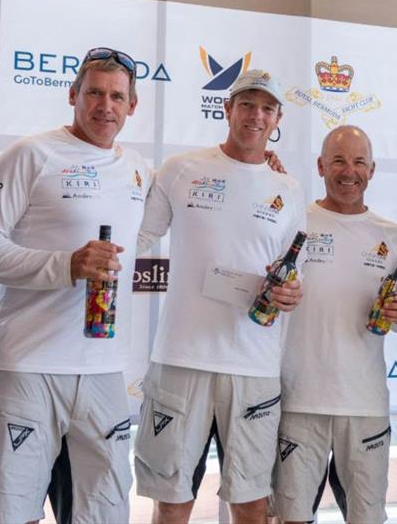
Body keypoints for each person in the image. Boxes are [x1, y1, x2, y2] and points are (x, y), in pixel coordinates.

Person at [0, 47, 150, 524]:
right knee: (14, 513)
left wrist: (260, 167)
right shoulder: (30, 154)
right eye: (94, 93)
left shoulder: (140, 171)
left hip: (104, 371)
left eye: (116, 96)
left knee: (106, 513)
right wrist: (66, 265)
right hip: (26, 367)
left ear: (132, 106)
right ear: (72, 95)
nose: (104, 105)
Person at [134, 69, 306, 524]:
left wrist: (289, 291)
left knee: (251, 504)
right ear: (226, 109)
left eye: (267, 108)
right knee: (172, 501)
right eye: (246, 104)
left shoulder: (288, 190)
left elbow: (294, 276)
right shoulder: (181, 169)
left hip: (253, 366)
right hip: (181, 359)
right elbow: (137, 238)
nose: (256, 115)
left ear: (278, 119)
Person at [273, 126, 397, 524]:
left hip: (364, 403)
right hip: (299, 399)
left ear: (372, 169)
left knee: (368, 518)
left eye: (358, 162)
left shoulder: (393, 236)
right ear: (320, 166)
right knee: (291, 517)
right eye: (338, 160)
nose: (348, 171)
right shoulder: (295, 222)